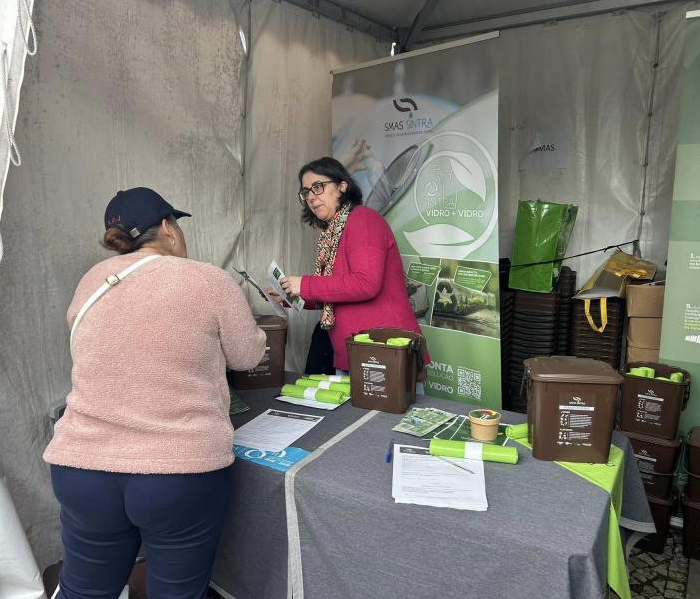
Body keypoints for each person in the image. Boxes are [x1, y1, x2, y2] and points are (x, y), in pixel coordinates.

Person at [43, 187, 266, 599]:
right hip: (177, 471)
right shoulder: (208, 280)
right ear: (167, 228)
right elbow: (247, 355)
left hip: (82, 467)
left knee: (84, 591)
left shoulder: (92, 281)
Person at [275, 157, 429, 375]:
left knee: (386, 411)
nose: (311, 196)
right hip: (355, 353)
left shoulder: (363, 220)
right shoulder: (332, 233)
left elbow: (366, 284)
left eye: (318, 187)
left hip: (386, 351)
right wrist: (291, 296)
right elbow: (338, 290)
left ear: (342, 186)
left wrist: (306, 284)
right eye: (306, 191)